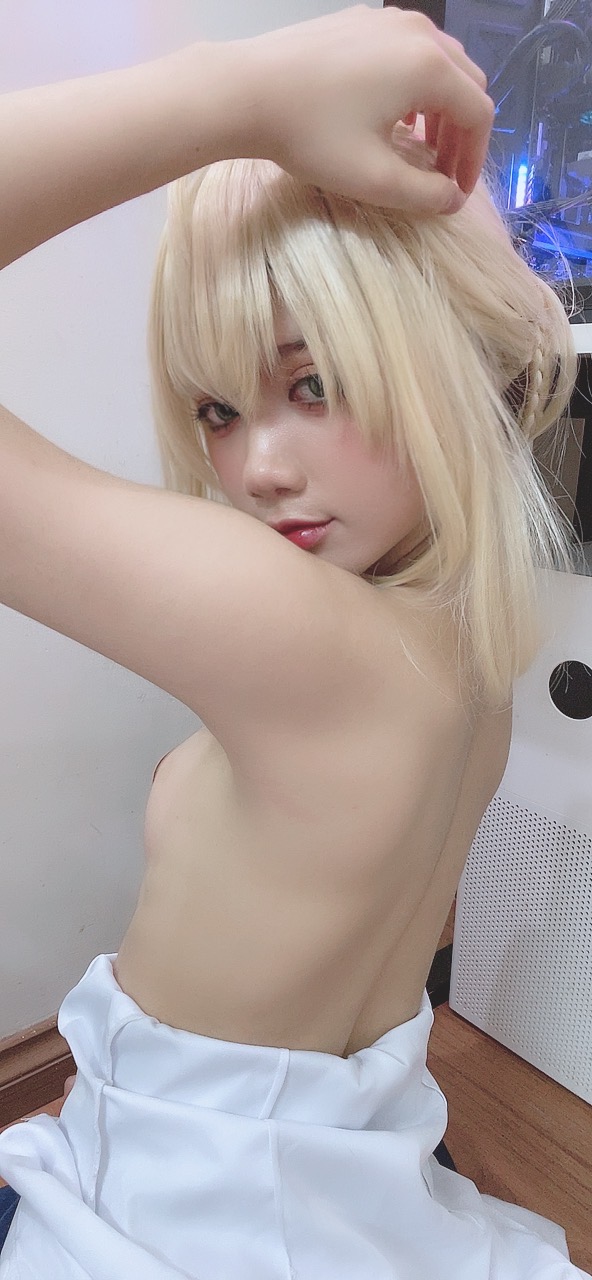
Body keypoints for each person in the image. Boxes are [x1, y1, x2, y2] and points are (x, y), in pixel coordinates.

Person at [0, 5, 587, 1277]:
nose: (257, 467)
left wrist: (235, 92)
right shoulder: (468, 648)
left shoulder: (302, 634)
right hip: (331, 1175)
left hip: (173, 1216)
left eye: (312, 382)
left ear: (448, 356)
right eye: (218, 407)